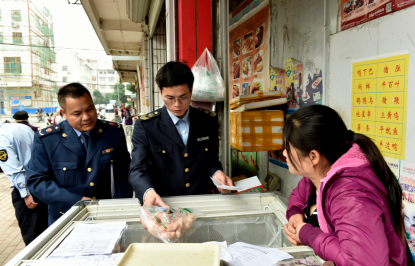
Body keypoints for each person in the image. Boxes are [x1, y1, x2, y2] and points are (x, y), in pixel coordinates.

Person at [283, 105, 406, 265]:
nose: (284, 154)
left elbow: (363, 263)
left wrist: (307, 234)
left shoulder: (350, 195)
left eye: (288, 148)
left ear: (313, 156)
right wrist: (294, 213)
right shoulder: (321, 174)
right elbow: (298, 195)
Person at [129, 61, 233, 207]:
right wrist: (147, 191)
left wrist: (217, 173)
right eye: (169, 98)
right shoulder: (147, 126)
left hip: (202, 203)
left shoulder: (208, 120)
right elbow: (138, 168)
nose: (177, 104)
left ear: (191, 90)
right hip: (164, 206)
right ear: (160, 92)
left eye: (183, 97)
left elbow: (210, 160)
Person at [27, 82, 133, 225]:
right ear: (63, 113)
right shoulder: (47, 140)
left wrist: (121, 208)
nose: (86, 117)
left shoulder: (113, 133)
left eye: (90, 109)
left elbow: (123, 174)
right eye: (77, 113)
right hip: (66, 218)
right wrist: (77, 202)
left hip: (108, 215)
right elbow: (37, 181)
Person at [0, 121, 48, 245]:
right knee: (46, 230)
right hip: (43, 184)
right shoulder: (22, 127)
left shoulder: (1, 137)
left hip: (28, 191)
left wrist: (25, 194)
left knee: (33, 236)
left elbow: (14, 169)